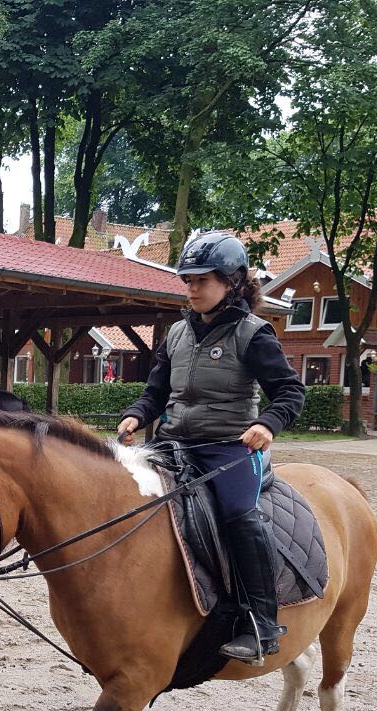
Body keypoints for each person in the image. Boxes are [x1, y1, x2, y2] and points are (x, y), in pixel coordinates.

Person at [117, 232, 306, 662]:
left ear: (232, 281)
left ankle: (261, 623)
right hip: (173, 443)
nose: (192, 288)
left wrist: (267, 423)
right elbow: (155, 392)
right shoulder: (177, 333)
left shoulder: (254, 334)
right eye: (188, 280)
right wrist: (137, 414)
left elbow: (291, 392)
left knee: (239, 514)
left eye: (202, 280)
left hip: (229, 447)